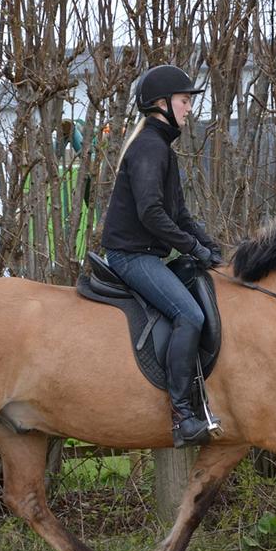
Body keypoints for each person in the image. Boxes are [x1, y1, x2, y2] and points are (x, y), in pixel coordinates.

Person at [101, 65, 224, 448]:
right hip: (131, 256)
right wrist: (192, 248)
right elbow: (151, 214)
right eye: (185, 101)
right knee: (189, 314)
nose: (189, 109)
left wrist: (212, 248)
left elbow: (180, 216)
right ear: (161, 104)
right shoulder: (149, 148)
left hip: (148, 254)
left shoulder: (161, 149)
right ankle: (183, 414)